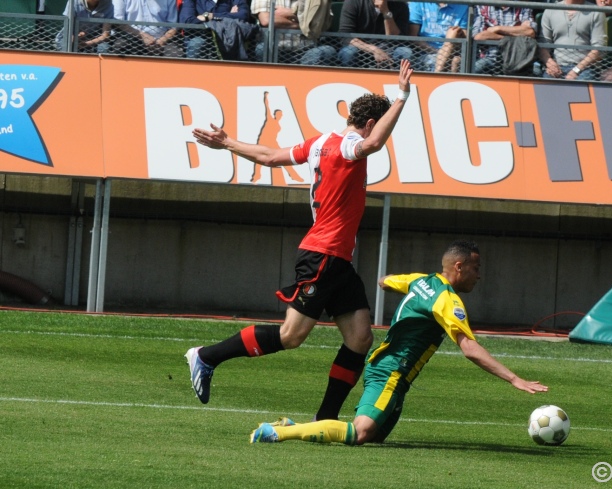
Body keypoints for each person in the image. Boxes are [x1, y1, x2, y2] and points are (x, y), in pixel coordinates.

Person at [186, 61, 414, 423]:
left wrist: (226, 142)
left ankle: (325, 419)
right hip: (323, 254)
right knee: (291, 336)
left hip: (336, 259)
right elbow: (372, 143)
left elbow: (271, 157)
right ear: (370, 122)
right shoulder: (350, 145)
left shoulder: (321, 141)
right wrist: (401, 97)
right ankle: (207, 356)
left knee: (359, 337)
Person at [249, 241, 549, 446]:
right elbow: (469, 348)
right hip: (390, 372)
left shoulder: (423, 281)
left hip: (396, 375)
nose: (479, 275)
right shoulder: (447, 300)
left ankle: (292, 427)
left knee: (376, 436)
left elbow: (386, 280)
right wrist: (514, 379)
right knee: (361, 433)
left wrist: (392, 284)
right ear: (458, 267)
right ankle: (277, 432)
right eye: (475, 268)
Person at [538, 0, 607, 81]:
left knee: (580, 86)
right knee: (546, 85)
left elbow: (599, 49)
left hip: (585, 68)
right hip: (558, 66)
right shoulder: (550, 10)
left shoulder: (597, 12)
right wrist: (550, 64)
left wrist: (576, 70)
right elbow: (543, 44)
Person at [250, 0, 337, 64]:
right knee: (262, 48)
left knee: (328, 51)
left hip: (307, 50)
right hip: (275, 50)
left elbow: (323, 23)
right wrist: (305, 24)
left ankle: (301, 84)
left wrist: (290, 13)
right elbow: (266, 20)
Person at [337, 0, 412, 68]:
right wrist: (374, 49)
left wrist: (386, 12)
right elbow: (346, 36)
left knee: (405, 52)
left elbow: (398, 39)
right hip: (361, 48)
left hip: (389, 50)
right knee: (349, 52)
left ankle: (400, 82)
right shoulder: (353, 2)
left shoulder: (400, 4)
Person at [470, 2, 538, 75]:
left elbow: (530, 32)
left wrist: (498, 29)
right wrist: (514, 35)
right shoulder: (482, 6)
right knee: (471, 71)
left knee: (537, 72)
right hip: (490, 58)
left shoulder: (524, 7)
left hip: (519, 60)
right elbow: (479, 37)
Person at [178, 0, 253, 59]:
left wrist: (210, 16)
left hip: (227, 39)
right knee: (197, 43)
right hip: (201, 36)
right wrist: (229, 17)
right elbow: (187, 22)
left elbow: (243, 16)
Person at [408, 2, 470, 72]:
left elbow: (465, 39)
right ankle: (437, 75)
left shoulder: (463, 5)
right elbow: (413, 37)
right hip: (425, 52)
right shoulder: (418, 3)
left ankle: (438, 74)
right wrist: (439, 53)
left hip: (453, 51)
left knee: (456, 61)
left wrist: (457, 35)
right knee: (434, 61)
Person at [112, 0, 182, 57]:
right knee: (120, 46)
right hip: (132, 38)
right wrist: (142, 35)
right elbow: (119, 22)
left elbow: (173, 27)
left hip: (162, 40)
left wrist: (161, 41)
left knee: (175, 53)